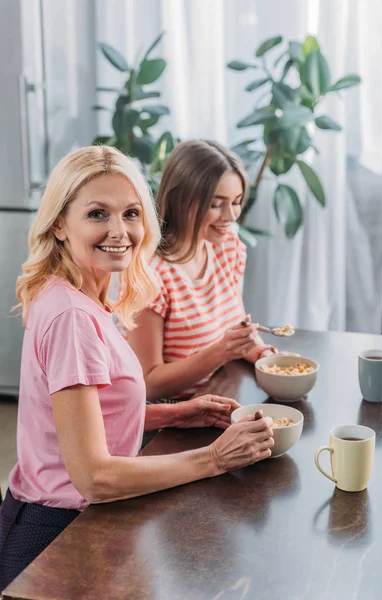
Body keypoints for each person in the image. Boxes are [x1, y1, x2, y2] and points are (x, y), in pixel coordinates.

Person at [0, 146, 274, 593]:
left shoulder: (77, 296)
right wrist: (215, 458)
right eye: (97, 214)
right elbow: (96, 478)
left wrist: (178, 414)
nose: (120, 231)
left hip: (56, 517)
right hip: (58, 535)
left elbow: (81, 421)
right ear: (59, 225)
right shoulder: (73, 318)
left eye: (130, 213)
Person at [128, 140, 281, 402]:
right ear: (180, 200)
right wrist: (220, 352)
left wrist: (263, 354)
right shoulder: (150, 275)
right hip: (170, 424)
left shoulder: (226, 247)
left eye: (236, 201)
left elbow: (235, 323)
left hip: (218, 394)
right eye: (216, 204)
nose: (231, 216)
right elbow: (148, 384)